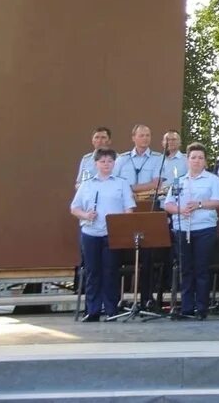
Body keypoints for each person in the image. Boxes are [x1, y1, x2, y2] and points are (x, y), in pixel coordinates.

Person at [70, 146, 135, 321]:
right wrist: (86, 215)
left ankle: (111, 309)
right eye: (102, 161)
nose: (106, 164)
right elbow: (74, 208)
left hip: (112, 234)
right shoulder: (87, 184)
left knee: (111, 271)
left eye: (110, 161)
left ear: (114, 163)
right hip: (91, 232)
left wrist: (123, 225)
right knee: (93, 271)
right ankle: (93, 309)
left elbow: (129, 208)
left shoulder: (121, 183)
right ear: (96, 163)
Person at [163, 143, 219, 319]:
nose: (197, 161)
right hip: (182, 228)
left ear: (205, 161)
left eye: (200, 158)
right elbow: (168, 204)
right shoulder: (179, 181)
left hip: (204, 228)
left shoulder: (213, 180)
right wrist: (181, 210)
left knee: (202, 268)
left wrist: (199, 205)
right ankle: (187, 307)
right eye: (193, 157)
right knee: (185, 269)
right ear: (187, 160)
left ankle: (202, 308)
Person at [113, 124, 165, 308]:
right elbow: (115, 182)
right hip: (125, 210)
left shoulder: (158, 159)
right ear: (133, 137)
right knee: (119, 255)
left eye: (148, 135)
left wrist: (130, 189)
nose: (145, 138)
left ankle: (146, 298)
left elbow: (157, 183)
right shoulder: (122, 159)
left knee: (148, 256)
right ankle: (116, 299)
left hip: (148, 208)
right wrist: (140, 188)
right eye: (141, 135)